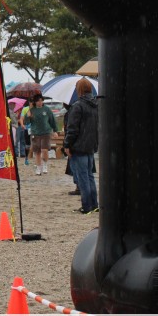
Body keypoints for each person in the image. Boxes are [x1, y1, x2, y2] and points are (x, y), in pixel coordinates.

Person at [63, 78, 99, 214]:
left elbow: (72, 128)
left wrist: (67, 144)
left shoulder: (78, 106)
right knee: (89, 176)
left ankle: (86, 206)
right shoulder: (96, 105)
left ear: (79, 89)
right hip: (91, 146)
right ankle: (94, 204)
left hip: (79, 146)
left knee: (82, 177)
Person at [24, 94, 58, 175]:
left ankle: (45, 165)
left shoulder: (47, 109)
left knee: (44, 150)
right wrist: (28, 115)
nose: (40, 102)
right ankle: (38, 168)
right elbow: (26, 122)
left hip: (46, 132)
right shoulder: (32, 110)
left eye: (41, 100)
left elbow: (52, 120)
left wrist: (55, 130)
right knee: (37, 152)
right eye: (38, 101)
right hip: (35, 133)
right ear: (35, 102)